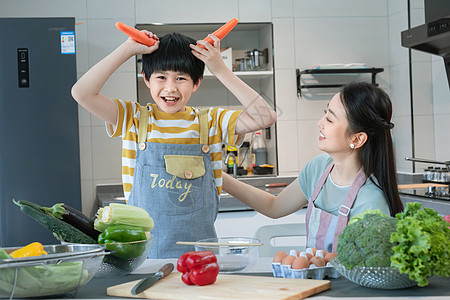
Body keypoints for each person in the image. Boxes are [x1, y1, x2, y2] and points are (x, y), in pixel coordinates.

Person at [71, 31, 276, 258]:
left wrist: (218, 68)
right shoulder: (133, 118)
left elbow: (265, 117)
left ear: (196, 83)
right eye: (161, 77)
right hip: (143, 257)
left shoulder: (211, 121)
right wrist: (128, 49)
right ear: (146, 79)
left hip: (200, 257)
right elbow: (81, 93)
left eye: (181, 78)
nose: (170, 88)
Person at [223, 82, 403, 253]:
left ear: (356, 139)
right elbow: (274, 206)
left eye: (330, 119)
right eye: (325, 114)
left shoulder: (371, 202)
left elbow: (365, 270)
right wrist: (219, 177)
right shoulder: (319, 168)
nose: (320, 122)